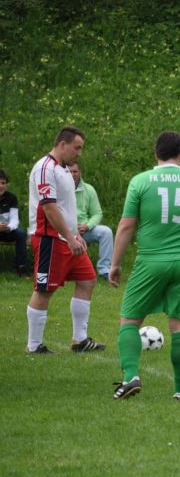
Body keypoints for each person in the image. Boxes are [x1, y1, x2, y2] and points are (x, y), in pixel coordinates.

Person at [109, 131, 180, 400]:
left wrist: (114, 263)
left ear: (155, 153)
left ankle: (130, 377)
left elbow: (126, 225)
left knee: (130, 319)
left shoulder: (141, 182)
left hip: (150, 261)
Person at [26, 126, 105, 354]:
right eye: (76, 147)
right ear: (63, 144)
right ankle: (34, 346)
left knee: (87, 279)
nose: (79, 153)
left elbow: (66, 208)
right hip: (50, 239)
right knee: (44, 290)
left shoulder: (63, 170)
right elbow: (49, 208)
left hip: (68, 238)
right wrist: (69, 236)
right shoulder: (44, 168)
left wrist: (76, 235)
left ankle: (79, 340)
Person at [68, 162, 114, 279]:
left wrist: (87, 226)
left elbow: (97, 213)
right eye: (70, 171)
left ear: (80, 172)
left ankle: (104, 270)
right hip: (65, 231)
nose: (72, 174)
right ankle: (66, 270)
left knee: (106, 232)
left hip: (84, 229)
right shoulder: (60, 189)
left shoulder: (89, 189)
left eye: (75, 171)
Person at [0, 169, 30, 277]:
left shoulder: (11, 198)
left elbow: (14, 219)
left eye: (3, 183)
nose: (1, 186)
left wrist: (8, 227)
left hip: (7, 230)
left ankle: (20, 268)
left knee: (21, 234)